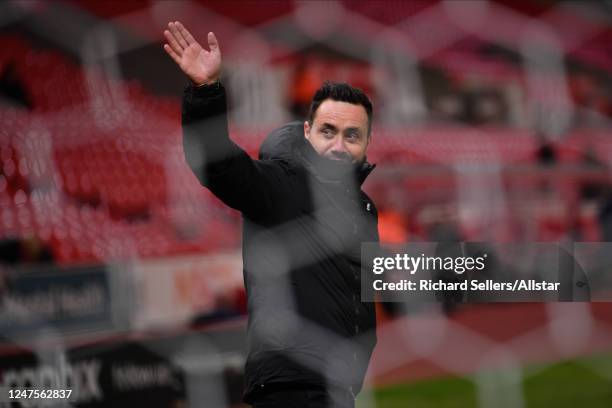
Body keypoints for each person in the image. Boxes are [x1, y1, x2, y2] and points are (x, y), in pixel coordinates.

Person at [163, 21, 379, 408]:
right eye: (328, 131)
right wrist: (205, 91)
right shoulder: (281, 183)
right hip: (291, 382)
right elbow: (219, 166)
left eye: (352, 135)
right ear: (308, 131)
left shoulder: (363, 209)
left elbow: (360, 298)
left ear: (366, 143)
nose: (339, 145)